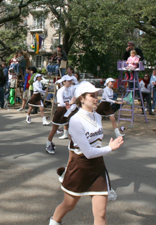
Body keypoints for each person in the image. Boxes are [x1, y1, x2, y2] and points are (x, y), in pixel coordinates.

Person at [49, 81, 124, 225]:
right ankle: (54, 222)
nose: (97, 99)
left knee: (101, 214)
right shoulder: (76, 120)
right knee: (69, 205)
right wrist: (110, 148)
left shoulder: (98, 117)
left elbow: (96, 145)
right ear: (82, 98)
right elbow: (88, 153)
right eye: (92, 95)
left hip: (98, 168)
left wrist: (107, 147)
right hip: (80, 167)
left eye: (97, 95)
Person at [46, 76, 74, 155]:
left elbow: (71, 100)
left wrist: (72, 104)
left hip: (67, 110)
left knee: (70, 129)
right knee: (54, 130)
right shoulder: (61, 91)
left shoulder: (69, 90)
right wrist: (71, 103)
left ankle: (72, 146)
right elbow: (61, 103)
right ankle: (48, 145)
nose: (70, 82)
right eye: (68, 81)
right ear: (64, 82)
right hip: (60, 111)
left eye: (70, 81)